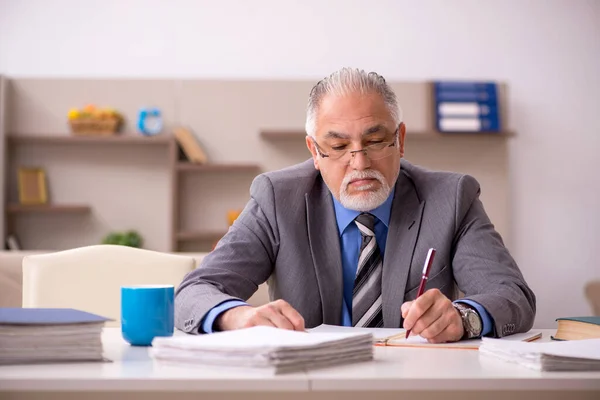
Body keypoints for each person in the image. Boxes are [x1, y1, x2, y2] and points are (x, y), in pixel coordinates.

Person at [175, 67, 536, 343]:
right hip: (307, 386)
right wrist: (237, 317)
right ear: (314, 152)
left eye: (375, 141)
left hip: (415, 385)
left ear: (401, 139)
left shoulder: (452, 198)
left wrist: (463, 318)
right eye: (338, 146)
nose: (360, 163)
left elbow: (512, 296)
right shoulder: (277, 198)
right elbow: (194, 292)